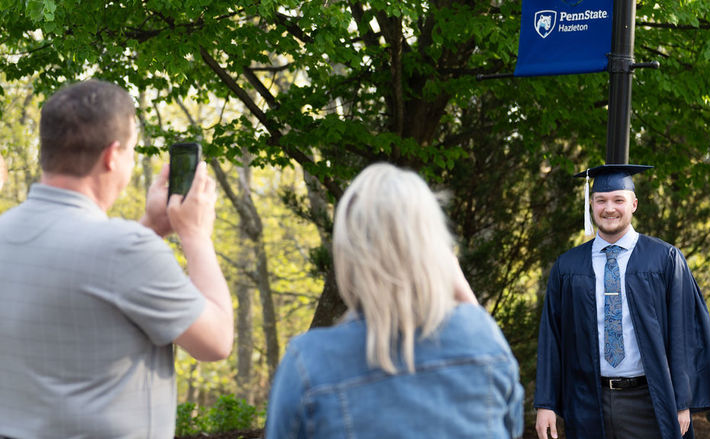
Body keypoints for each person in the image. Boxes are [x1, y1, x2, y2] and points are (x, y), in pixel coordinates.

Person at [0, 80, 234, 438]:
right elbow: (216, 342)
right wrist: (195, 233)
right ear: (112, 156)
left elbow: (88, 277)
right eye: (131, 151)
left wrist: (151, 227)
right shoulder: (125, 251)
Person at [265, 163, 525, 439]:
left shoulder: (308, 364)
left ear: (348, 251)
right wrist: (460, 289)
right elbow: (512, 426)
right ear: (435, 250)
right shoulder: (481, 337)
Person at [534, 164, 710, 439]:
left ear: (633, 204)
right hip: (587, 400)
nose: (609, 208)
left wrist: (682, 402)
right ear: (591, 204)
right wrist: (546, 403)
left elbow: (685, 332)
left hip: (650, 401)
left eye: (618, 200)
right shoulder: (568, 266)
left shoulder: (664, 259)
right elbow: (551, 337)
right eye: (601, 200)